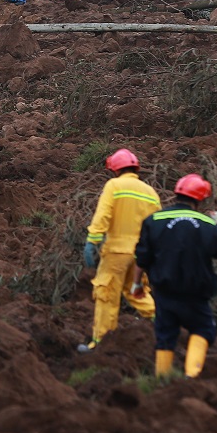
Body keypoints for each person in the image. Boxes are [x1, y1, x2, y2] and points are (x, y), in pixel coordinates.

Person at [133, 174, 217, 379]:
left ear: (177, 193)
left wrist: (136, 284)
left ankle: (162, 379)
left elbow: (142, 257)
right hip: (195, 290)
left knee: (165, 334)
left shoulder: (154, 220)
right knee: (204, 329)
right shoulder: (207, 224)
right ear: (200, 199)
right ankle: (192, 375)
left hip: (164, 289)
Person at [77, 149, 160, 354]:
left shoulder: (114, 185)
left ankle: (101, 343)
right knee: (137, 292)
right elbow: (156, 227)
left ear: (115, 169)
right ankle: (165, 322)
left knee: (106, 295)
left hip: (117, 252)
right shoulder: (150, 192)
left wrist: (93, 241)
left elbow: (103, 215)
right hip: (141, 255)